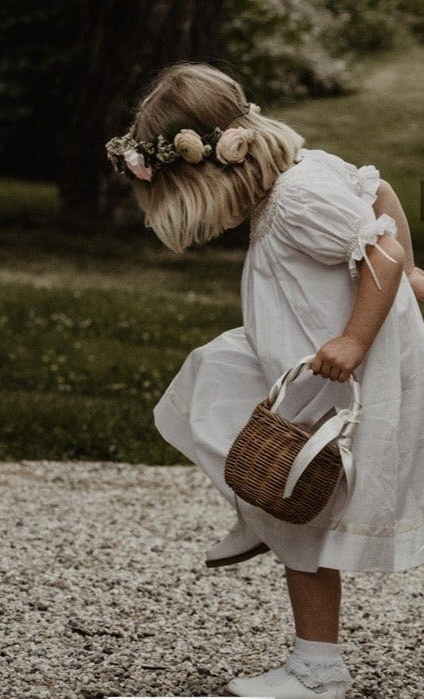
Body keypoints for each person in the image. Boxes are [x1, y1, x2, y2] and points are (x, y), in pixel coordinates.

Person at [105, 63, 424, 699]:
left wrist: (361, 333)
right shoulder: (306, 174)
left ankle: (317, 670)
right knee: (213, 373)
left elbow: (378, 248)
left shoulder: (297, 198)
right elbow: (381, 194)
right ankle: (257, 513)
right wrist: (411, 278)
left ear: (214, 165)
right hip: (295, 359)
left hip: (334, 372)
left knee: (299, 508)